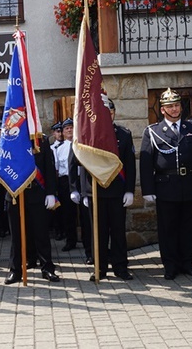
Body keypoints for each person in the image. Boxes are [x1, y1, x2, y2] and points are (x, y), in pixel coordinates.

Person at [139, 88, 192, 280]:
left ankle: (187, 263)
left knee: (189, 227)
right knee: (168, 228)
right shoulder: (153, 132)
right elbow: (146, 163)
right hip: (165, 186)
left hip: (190, 184)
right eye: (170, 106)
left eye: (177, 105)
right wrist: (148, 189)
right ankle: (170, 265)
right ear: (162, 110)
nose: (174, 109)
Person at [70, 101, 136, 282]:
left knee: (118, 232)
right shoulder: (88, 135)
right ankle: (99, 269)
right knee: (97, 233)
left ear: (114, 113)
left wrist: (129, 190)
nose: (108, 115)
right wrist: (82, 191)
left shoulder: (123, 134)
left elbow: (130, 164)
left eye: (111, 112)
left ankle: (120, 267)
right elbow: (79, 166)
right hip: (95, 192)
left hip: (117, 191)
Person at [3, 136, 61, 284]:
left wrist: (50, 193)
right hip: (16, 193)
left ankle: (47, 268)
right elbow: (3, 165)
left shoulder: (41, 140)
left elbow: (49, 167)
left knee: (41, 233)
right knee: (16, 236)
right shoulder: (9, 138)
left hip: (37, 193)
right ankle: (15, 270)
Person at [54, 118, 77, 251]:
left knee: (86, 214)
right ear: (62, 132)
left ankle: (89, 241)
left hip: (80, 180)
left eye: (71, 127)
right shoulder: (59, 149)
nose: (69, 130)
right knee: (68, 214)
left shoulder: (82, 145)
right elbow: (57, 170)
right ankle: (70, 241)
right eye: (66, 128)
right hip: (65, 182)